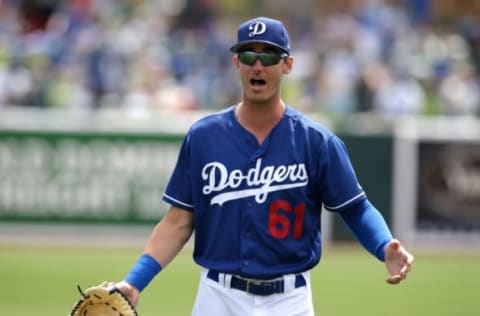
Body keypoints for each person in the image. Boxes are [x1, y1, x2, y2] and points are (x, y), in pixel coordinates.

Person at [115, 16, 414, 315]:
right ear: (237, 63)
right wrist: (134, 282)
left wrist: (384, 245)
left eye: (269, 55)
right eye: (248, 55)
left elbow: (355, 207)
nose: (258, 65)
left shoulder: (317, 142)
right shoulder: (203, 137)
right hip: (217, 297)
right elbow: (178, 222)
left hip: (289, 300)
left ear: (287, 65)